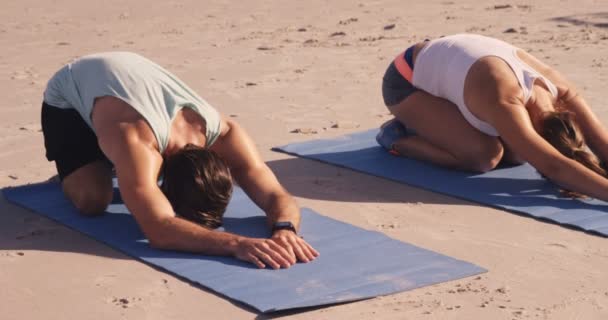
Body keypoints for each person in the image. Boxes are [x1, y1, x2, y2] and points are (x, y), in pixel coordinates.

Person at [41, 52, 318, 269]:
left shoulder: (224, 133)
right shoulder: (137, 143)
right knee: (91, 200)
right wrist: (236, 243)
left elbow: (275, 194)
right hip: (71, 95)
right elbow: (159, 230)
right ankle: (90, 165)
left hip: (125, 79)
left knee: (131, 176)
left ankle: (122, 168)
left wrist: (284, 228)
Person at [377, 33, 608, 200]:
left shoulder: (563, 93)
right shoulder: (505, 100)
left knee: (517, 154)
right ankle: (398, 138)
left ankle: (440, 124)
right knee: (483, 156)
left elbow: (601, 143)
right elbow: (555, 167)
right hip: (407, 80)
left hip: (456, 65)